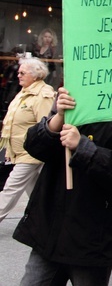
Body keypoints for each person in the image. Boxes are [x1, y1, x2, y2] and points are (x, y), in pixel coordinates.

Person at [14, 87, 112, 284]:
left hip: (91, 241)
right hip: (49, 234)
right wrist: (56, 120)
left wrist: (82, 147)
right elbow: (33, 147)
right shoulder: (68, 113)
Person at [0, 57, 55, 223]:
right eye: (18, 72)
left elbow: (46, 126)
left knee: (11, 188)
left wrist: (41, 151)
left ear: (35, 75)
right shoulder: (23, 92)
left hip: (32, 153)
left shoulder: (43, 95)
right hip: (22, 152)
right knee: (35, 191)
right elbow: (12, 126)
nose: (18, 75)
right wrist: (10, 151)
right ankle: (48, 222)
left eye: (22, 72)